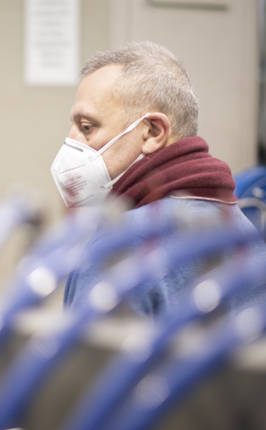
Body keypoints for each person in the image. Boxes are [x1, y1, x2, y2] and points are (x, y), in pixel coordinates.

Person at [51, 41, 265, 316]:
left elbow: (81, 358)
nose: (71, 141)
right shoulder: (243, 229)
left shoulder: (118, 248)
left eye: (87, 127)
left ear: (152, 132)